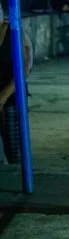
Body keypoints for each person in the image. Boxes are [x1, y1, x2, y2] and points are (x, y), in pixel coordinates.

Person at [0, 17, 32, 165]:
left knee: (15, 151)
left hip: (11, 99)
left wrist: (3, 96)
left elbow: (25, 69)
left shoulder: (15, 32)